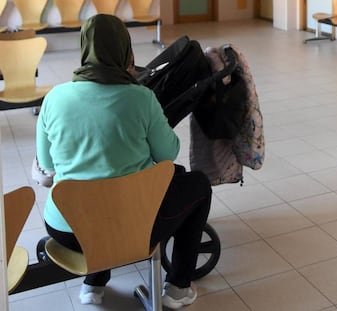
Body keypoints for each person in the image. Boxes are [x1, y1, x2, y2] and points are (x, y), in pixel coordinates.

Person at [35, 14, 212, 310]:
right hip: (133, 226)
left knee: (92, 191)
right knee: (198, 184)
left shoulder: (55, 98)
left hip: (68, 231)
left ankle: (93, 284)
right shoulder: (141, 98)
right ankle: (178, 287)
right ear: (126, 51)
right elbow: (168, 154)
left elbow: (46, 163)